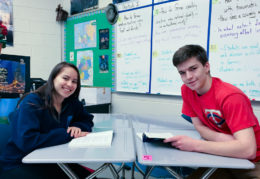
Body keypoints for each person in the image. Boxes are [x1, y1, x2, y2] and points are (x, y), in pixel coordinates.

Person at [164, 44, 260, 178]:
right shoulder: (187, 90)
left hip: (254, 161)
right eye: (182, 73)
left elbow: (248, 151)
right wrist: (228, 141)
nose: (189, 77)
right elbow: (198, 126)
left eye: (193, 69)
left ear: (206, 67)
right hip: (223, 155)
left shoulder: (230, 97)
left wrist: (195, 145)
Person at [0, 62, 94, 179]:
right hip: (20, 162)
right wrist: (67, 134)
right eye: (65, 78)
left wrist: (77, 126)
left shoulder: (71, 102)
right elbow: (27, 141)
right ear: (53, 78)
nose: (70, 84)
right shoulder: (32, 102)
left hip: (52, 158)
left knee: (89, 177)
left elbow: (87, 119)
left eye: (74, 81)